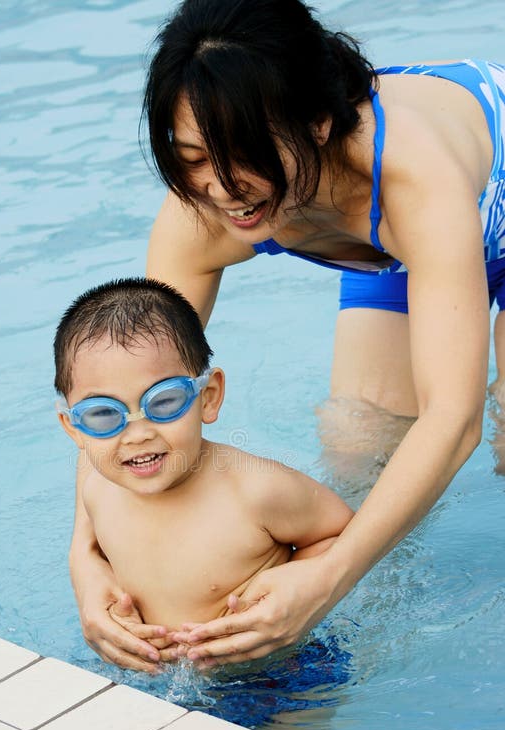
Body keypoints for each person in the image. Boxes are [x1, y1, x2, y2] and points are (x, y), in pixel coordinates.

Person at [70, 0, 505, 672]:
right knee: (360, 452)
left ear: (319, 124)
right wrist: (86, 557)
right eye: (191, 156)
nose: (221, 187)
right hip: (389, 246)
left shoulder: (412, 179)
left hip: (459, 205)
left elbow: (455, 419)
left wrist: (325, 583)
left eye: (245, 157)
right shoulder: (206, 210)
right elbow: (119, 386)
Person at [55, 277, 353, 664]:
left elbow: (343, 531)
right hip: (162, 674)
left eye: (163, 402)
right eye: (103, 414)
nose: (137, 434)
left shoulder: (254, 489)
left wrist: (300, 579)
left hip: (281, 672)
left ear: (208, 398)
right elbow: (89, 552)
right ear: (74, 428)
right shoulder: (98, 487)